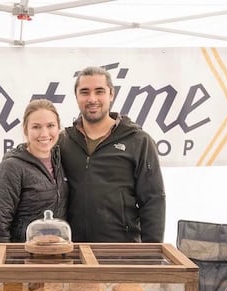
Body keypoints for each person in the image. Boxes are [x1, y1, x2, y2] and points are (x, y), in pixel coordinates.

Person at [59, 66, 166, 243]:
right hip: (73, 250)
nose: (92, 99)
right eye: (84, 92)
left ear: (111, 94)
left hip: (121, 251)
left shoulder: (139, 141)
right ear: (76, 96)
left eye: (99, 91)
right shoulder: (63, 141)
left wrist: (151, 254)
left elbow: (153, 201)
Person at [0, 99, 68, 243]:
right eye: (36, 127)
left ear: (58, 128)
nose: (44, 133)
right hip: (23, 258)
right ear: (25, 129)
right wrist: (5, 263)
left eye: (50, 126)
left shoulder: (61, 160)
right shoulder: (11, 167)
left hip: (57, 254)